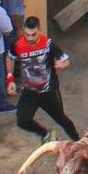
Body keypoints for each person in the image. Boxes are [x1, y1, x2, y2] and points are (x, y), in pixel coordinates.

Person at [13, 14, 80, 142]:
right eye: (27, 34)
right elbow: (10, 57)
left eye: (33, 34)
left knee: (62, 119)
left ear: (39, 31)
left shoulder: (49, 44)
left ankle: (78, 141)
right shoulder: (18, 45)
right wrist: (10, 78)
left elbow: (65, 60)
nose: (30, 38)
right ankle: (45, 134)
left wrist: (62, 65)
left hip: (48, 91)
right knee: (22, 121)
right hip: (29, 92)